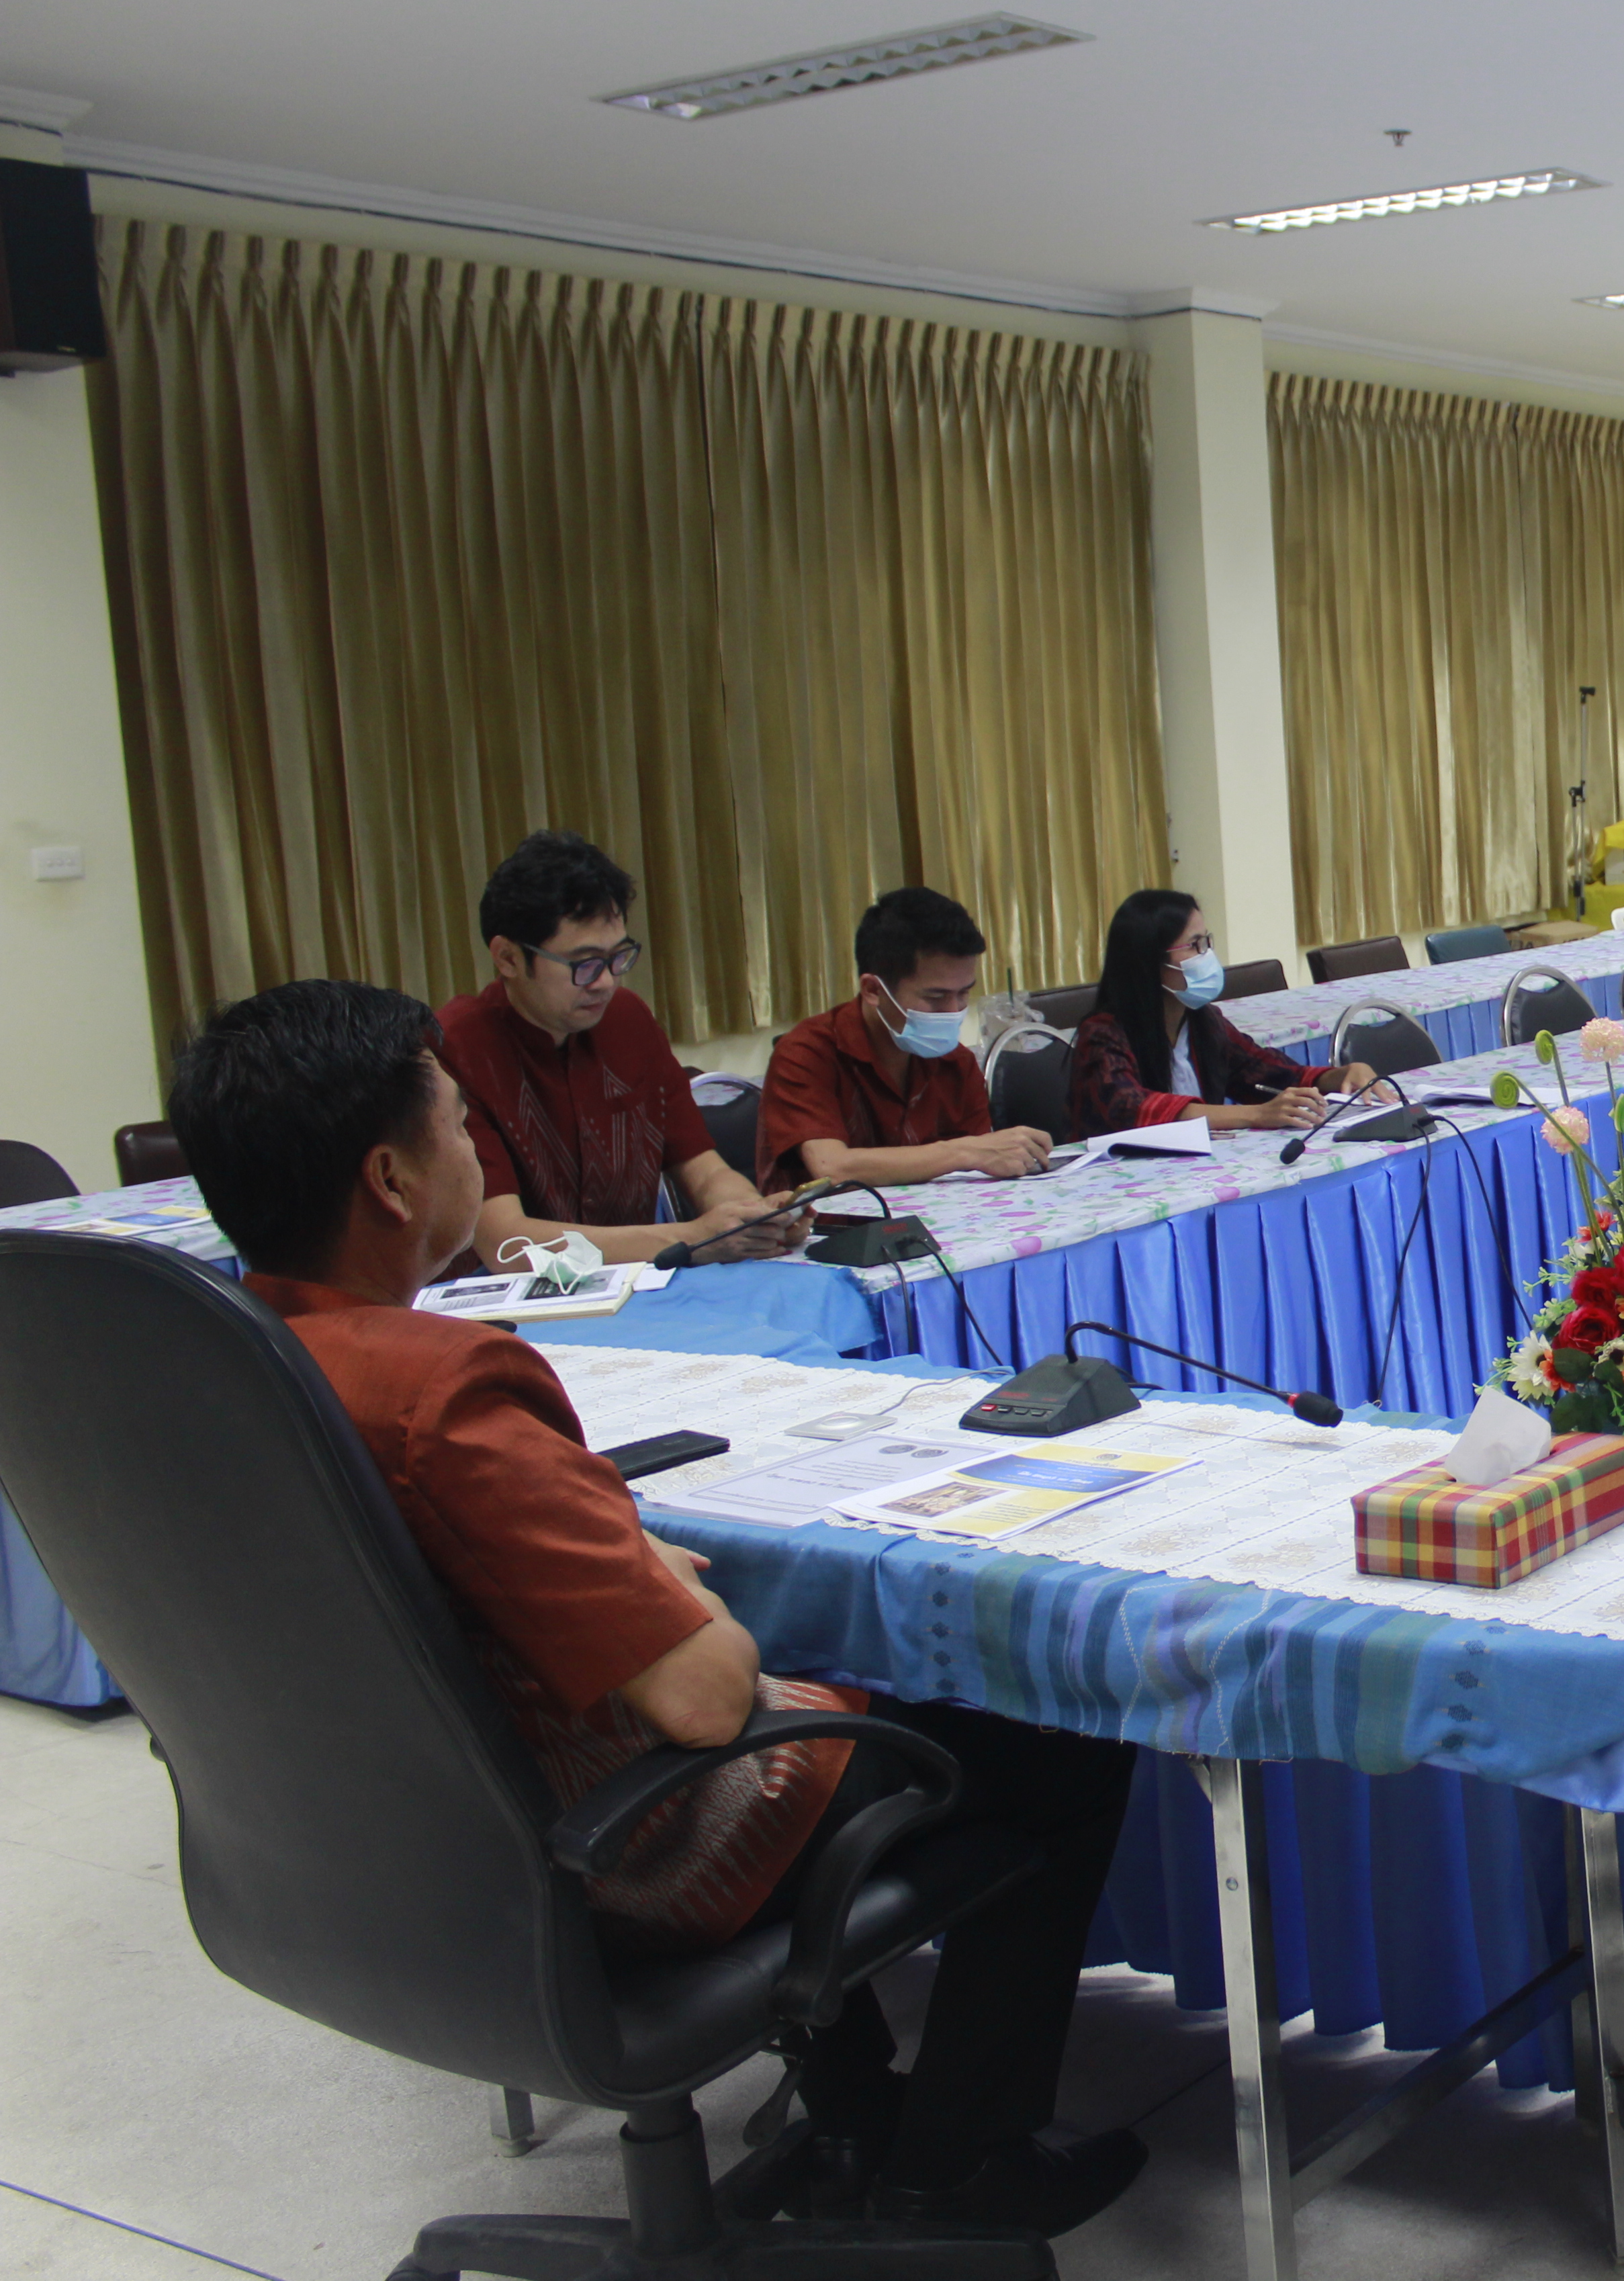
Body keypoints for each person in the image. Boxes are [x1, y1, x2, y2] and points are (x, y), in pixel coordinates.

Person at [166, 979, 1144, 2233]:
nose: (475, 1150)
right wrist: (654, 1579)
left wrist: (616, 1564)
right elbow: (703, 1700)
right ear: (392, 1181)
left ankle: (854, 2107)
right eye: (458, 1125)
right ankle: (957, 2170)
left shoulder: (219, 1364)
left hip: (369, 1857)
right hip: (603, 1847)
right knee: (1060, 1743)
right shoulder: (443, 1388)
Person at [435, 831, 808, 1273]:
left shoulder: (627, 1020)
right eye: (585, 964)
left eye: (618, 958)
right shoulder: (454, 1049)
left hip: (636, 1286)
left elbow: (704, 1170)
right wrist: (695, 1239)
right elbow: (508, 1243)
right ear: (508, 958)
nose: (607, 982)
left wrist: (755, 1218)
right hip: (512, 1301)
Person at [758, 887, 1052, 1192]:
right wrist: (964, 1152)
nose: (953, 1011)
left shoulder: (955, 1062)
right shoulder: (806, 1054)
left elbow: (983, 1170)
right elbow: (832, 1168)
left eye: (964, 993)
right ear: (873, 990)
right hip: (833, 1221)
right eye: (935, 997)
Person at [1067, 889, 1382, 1137]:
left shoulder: (1204, 1022)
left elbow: (1264, 1072)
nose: (1206, 955)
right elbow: (1133, 1109)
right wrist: (1255, 1115)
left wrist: (1337, 1076)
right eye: (1194, 945)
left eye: (1207, 942)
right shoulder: (1102, 1034)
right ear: (1148, 960)